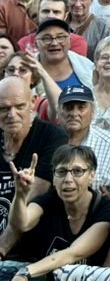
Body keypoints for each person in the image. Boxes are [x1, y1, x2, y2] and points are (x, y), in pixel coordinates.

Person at [1, 145, 110, 281]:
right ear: (53, 176)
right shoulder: (48, 201)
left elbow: (72, 254)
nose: (68, 179)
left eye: (77, 171)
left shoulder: (106, 209)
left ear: (91, 175)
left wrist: (26, 273)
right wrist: (21, 195)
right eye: (62, 171)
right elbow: (21, 224)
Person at [0, 77, 68, 241]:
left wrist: (1, 250)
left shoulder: (52, 137)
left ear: (33, 102)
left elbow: (30, 203)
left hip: (28, 248)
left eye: (20, 106)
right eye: (4, 108)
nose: (12, 114)